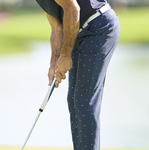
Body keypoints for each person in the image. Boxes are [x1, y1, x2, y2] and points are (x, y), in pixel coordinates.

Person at [35, 0, 120, 150]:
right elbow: (56, 27)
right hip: (77, 33)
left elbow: (73, 9)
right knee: (74, 100)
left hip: (99, 25)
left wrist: (66, 56)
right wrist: (54, 62)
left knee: (83, 99)